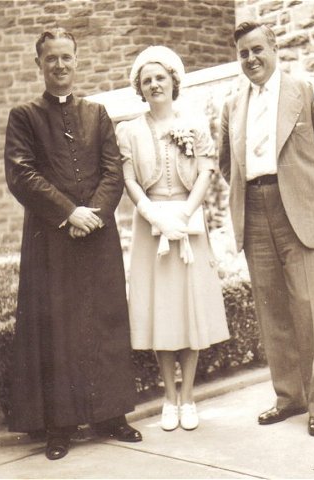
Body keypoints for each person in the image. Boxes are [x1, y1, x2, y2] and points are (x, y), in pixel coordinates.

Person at [4, 28, 142, 461]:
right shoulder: (24, 115)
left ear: (76, 61)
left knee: (104, 319)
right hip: (51, 238)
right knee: (57, 329)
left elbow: (112, 171)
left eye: (67, 57)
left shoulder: (97, 113)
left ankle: (111, 415)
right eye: (51, 59)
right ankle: (59, 425)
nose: (60, 66)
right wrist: (69, 213)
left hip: (97, 235)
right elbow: (21, 174)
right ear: (39, 64)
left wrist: (95, 214)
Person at [219, 21, 314, 436]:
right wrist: (250, 192)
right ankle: (289, 397)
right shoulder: (232, 105)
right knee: (272, 307)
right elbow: (228, 163)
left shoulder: (306, 92)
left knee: (310, 309)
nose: (251, 58)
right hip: (255, 209)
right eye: (243, 53)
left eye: (257, 49)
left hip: (301, 209)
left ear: (274, 49)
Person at [115, 46, 230, 432]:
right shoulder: (129, 130)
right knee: (163, 313)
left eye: (160, 77)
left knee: (189, 309)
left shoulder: (194, 124)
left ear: (173, 81)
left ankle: (188, 398)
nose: (154, 85)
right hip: (151, 228)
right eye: (146, 80)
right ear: (140, 88)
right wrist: (154, 216)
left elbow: (206, 172)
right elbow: (129, 179)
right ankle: (168, 397)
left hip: (188, 222)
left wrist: (181, 214)